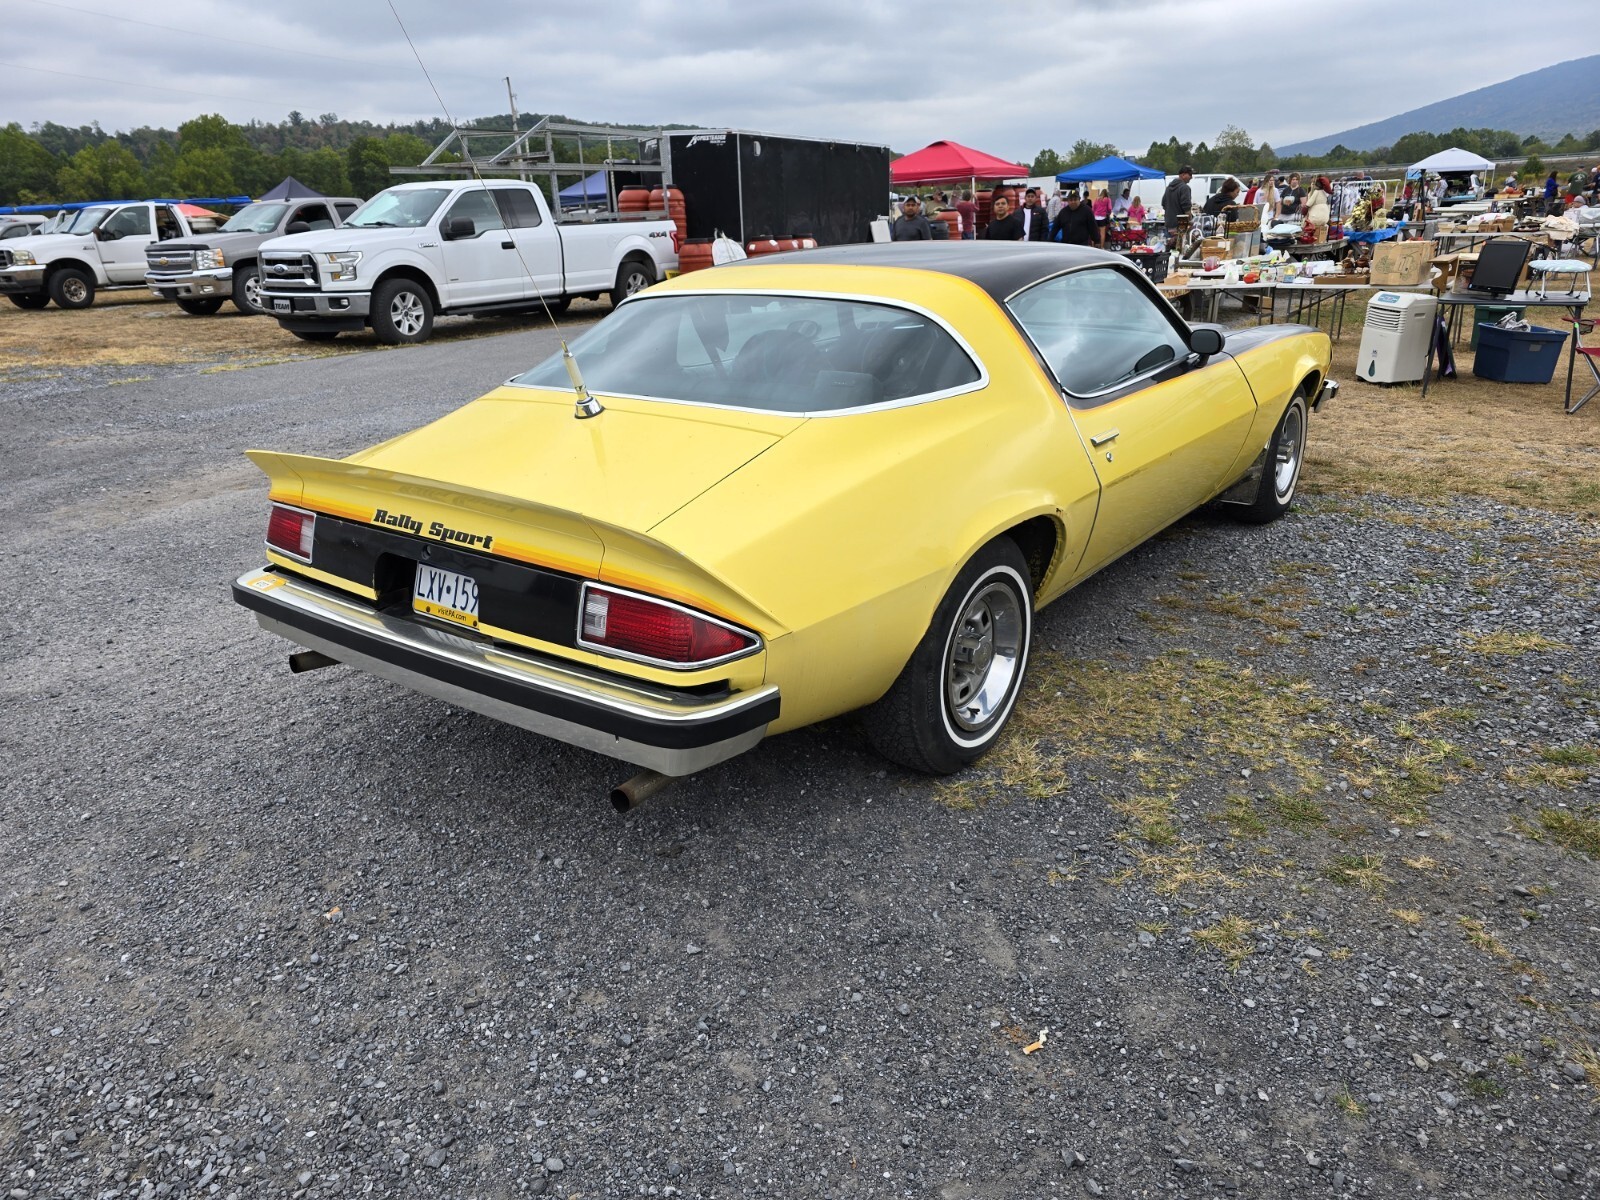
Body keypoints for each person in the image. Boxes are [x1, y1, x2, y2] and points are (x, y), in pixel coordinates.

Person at [1161, 165, 1194, 250]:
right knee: (1181, 251)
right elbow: (1186, 208)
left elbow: (1163, 204)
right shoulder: (1185, 188)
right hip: (1180, 227)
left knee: (1169, 252)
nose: (1191, 177)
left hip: (1169, 225)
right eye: (1190, 174)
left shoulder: (1168, 188)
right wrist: (1190, 222)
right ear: (1183, 175)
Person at [1303, 175, 1331, 242]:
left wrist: (1305, 208)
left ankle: (1309, 238)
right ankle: (1322, 238)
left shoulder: (1316, 192)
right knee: (1324, 225)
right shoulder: (1325, 193)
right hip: (1324, 215)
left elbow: (1310, 202)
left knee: (1306, 223)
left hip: (1315, 215)